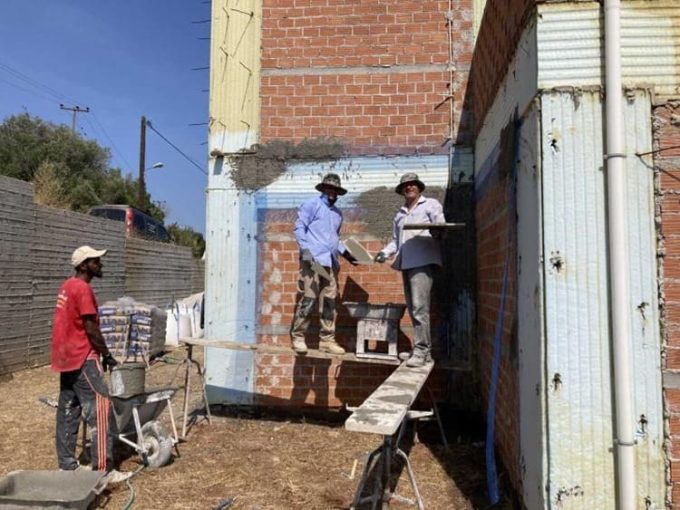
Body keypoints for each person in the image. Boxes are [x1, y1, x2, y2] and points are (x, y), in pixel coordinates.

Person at [51, 245, 131, 484]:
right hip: (82, 357)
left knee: (68, 410)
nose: (100, 264)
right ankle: (104, 470)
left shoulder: (67, 286)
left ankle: (67, 466)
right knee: (101, 409)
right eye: (96, 261)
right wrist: (106, 354)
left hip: (65, 358)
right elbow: (91, 328)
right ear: (84, 265)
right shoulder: (83, 289)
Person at [374, 173, 445, 367]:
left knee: (420, 308)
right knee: (414, 309)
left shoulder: (431, 204)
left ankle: (422, 351)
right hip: (406, 263)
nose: (409, 188)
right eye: (405, 186)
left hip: (423, 261)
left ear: (419, 188)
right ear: (402, 190)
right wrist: (383, 252)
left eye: (412, 185)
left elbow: (439, 223)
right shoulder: (400, 214)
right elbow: (396, 241)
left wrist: (438, 230)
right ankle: (422, 350)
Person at [291, 173, 358, 354]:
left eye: (335, 190)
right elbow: (299, 228)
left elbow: (335, 240)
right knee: (310, 297)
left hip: (329, 262)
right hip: (313, 260)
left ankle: (326, 340)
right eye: (329, 188)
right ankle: (298, 336)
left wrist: (349, 254)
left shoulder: (337, 214)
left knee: (329, 301)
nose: (332, 192)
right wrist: (305, 252)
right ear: (323, 188)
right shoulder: (312, 205)